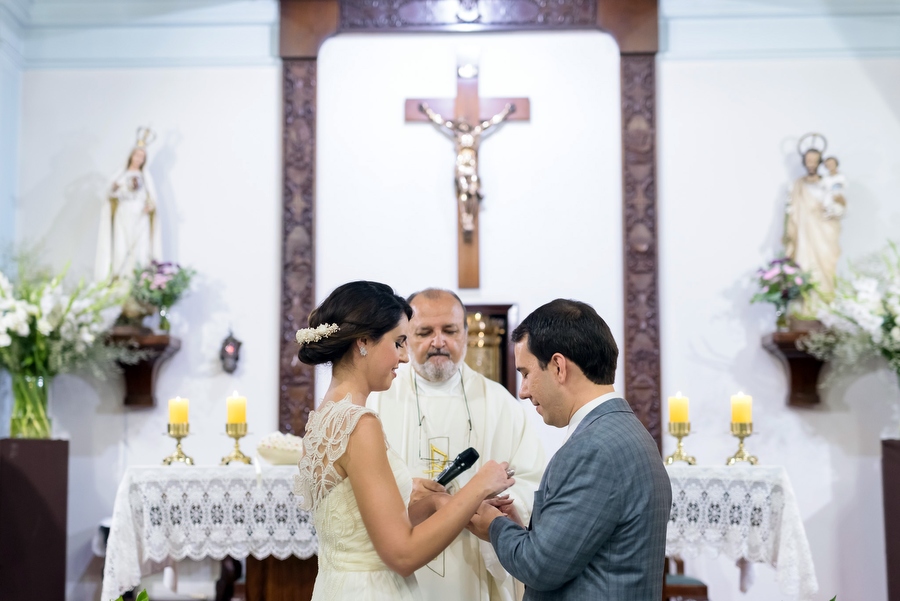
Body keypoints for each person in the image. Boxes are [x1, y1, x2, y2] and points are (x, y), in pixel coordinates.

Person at [293, 281, 515, 600]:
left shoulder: (323, 419)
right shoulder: (359, 424)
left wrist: (436, 503)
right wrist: (478, 486)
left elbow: (361, 531)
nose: (404, 357)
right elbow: (402, 556)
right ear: (364, 342)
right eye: (398, 342)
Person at [468, 299, 672, 600]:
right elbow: (581, 552)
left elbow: (539, 568)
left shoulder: (594, 448)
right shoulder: (625, 431)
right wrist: (521, 532)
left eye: (526, 373)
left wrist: (495, 526)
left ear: (559, 367)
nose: (523, 391)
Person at [368, 288, 546, 601]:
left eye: (449, 331)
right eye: (425, 332)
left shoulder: (500, 404)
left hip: (474, 558)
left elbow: (532, 483)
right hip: (400, 558)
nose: (438, 342)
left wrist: (496, 507)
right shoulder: (379, 401)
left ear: (465, 334)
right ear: (405, 338)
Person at [419, 103, 515, 239]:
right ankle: (465, 217)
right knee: (464, 192)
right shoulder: (457, 135)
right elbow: (441, 122)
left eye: (465, 123)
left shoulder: (475, 133)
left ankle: (471, 215)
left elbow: (491, 123)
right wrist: (428, 111)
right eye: (461, 123)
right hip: (461, 166)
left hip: (472, 166)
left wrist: (505, 112)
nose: (463, 125)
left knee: (473, 191)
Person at [95, 129, 163, 282]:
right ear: (131, 156)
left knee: (139, 251)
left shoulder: (146, 178)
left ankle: (138, 283)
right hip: (123, 216)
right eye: (136, 155)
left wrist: (150, 207)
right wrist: (114, 189)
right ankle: (120, 281)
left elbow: (152, 199)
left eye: (142, 156)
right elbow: (109, 194)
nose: (138, 159)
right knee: (120, 249)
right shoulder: (121, 175)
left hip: (140, 218)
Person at [784, 142, 846, 300]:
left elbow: (840, 206)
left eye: (814, 161)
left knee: (826, 266)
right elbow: (790, 211)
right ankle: (804, 307)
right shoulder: (797, 185)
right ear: (804, 162)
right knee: (804, 267)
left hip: (824, 233)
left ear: (820, 162)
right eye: (808, 161)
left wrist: (836, 207)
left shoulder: (829, 183)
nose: (811, 164)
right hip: (803, 234)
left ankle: (826, 306)